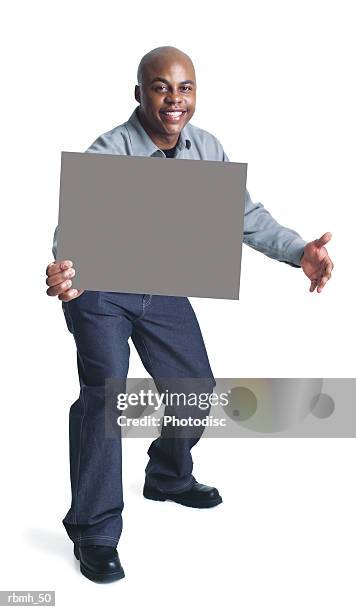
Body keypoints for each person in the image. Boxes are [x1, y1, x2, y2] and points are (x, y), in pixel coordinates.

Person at [45, 46, 333, 583]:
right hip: (100, 289)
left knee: (195, 388)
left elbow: (247, 218)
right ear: (139, 94)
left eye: (184, 88)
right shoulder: (111, 149)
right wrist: (65, 270)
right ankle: (94, 530)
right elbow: (72, 226)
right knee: (105, 398)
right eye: (160, 87)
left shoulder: (207, 148)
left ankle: (169, 476)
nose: (173, 100)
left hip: (159, 286)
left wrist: (300, 253)